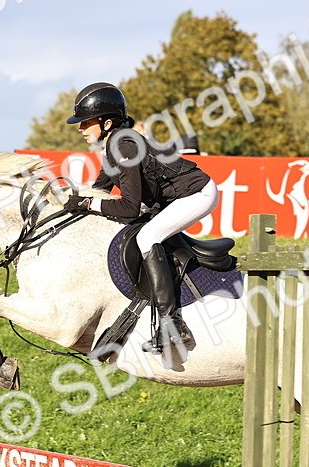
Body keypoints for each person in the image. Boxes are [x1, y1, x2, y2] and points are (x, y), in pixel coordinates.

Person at [64, 82, 217, 356]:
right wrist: (68, 199)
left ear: (107, 121)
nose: (80, 128)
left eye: (86, 122)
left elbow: (129, 207)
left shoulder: (124, 145)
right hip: (175, 197)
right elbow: (99, 190)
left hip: (197, 194)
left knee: (148, 236)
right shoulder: (113, 144)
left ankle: (173, 325)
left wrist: (87, 204)